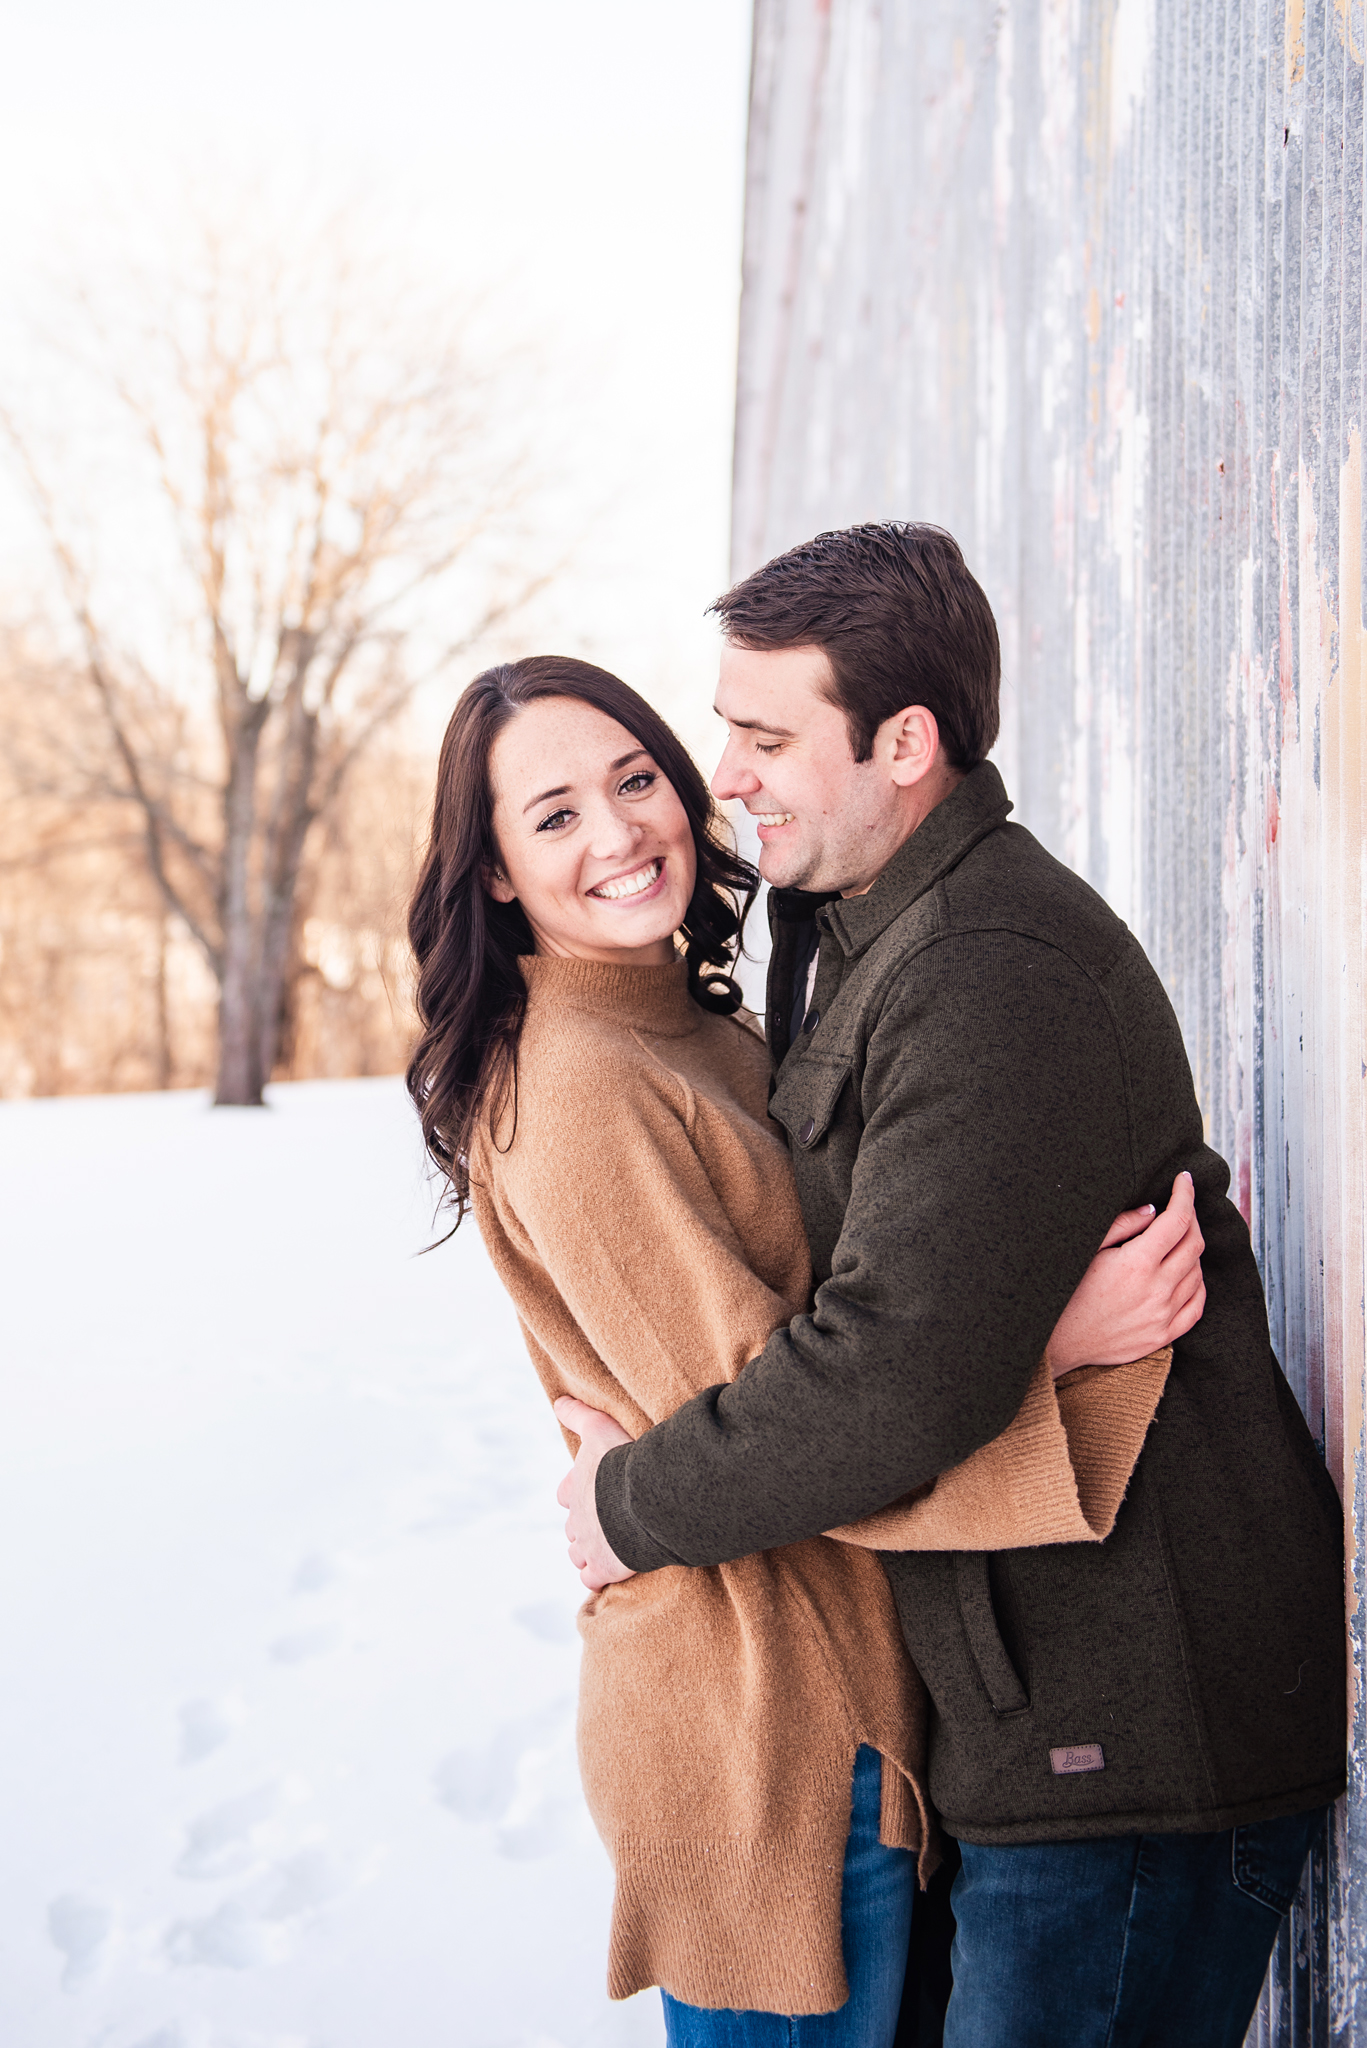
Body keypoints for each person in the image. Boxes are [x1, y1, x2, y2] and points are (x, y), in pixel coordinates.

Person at [557, 525, 1348, 2048]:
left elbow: (885, 1378)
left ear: (904, 743)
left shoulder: (988, 969)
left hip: (1127, 1735)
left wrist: (627, 1511)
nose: (730, 773)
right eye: (728, 728)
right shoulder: (858, 931)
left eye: (768, 734)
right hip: (1031, 1718)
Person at [406, 652, 1206, 2045]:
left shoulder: (696, 1028)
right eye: (553, 816)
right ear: (489, 873)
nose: (618, 833)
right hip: (766, 1745)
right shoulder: (584, 1083)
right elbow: (785, 1440)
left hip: (838, 1699)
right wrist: (1055, 1359)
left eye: (635, 778)